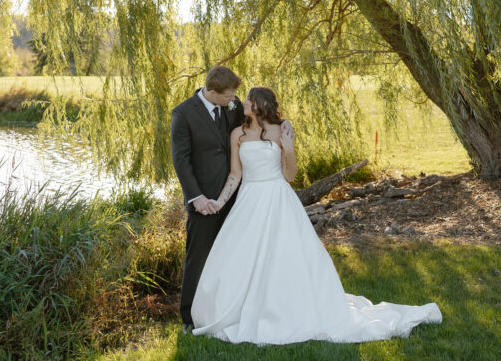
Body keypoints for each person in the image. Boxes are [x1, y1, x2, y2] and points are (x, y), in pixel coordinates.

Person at [191, 87, 442, 345]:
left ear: (260, 104)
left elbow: (290, 176)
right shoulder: (238, 135)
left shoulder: (281, 131)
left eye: (249, 99)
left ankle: (285, 310)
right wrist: (219, 202)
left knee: (284, 256)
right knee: (242, 256)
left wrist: (288, 148)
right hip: (248, 200)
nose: (243, 102)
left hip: (278, 199)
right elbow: (235, 174)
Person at [170, 65, 245, 330]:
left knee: (232, 255)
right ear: (211, 92)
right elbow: (181, 160)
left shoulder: (231, 108)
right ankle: (189, 317)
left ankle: (225, 308)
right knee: (198, 257)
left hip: (234, 197)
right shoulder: (183, 114)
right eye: (228, 96)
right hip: (203, 202)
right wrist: (196, 197)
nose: (233, 100)